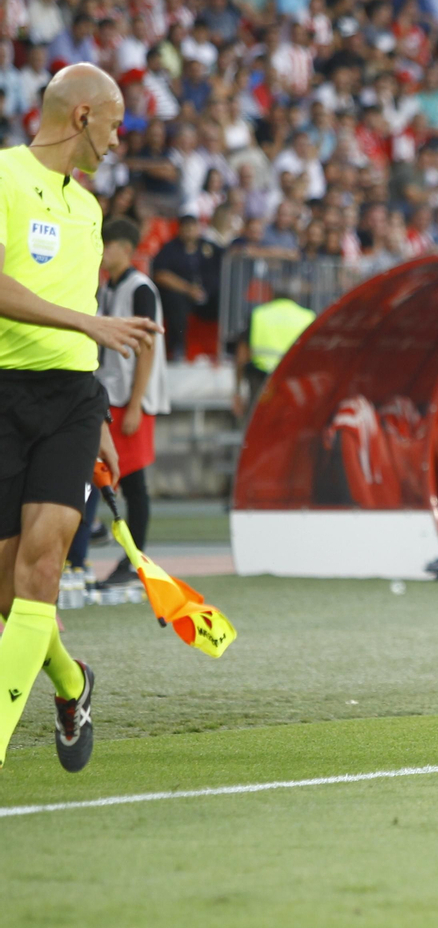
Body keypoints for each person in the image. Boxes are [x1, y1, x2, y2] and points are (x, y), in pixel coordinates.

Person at [0, 63, 161, 774]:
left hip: (71, 400)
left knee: (41, 571)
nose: (118, 140)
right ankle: (71, 683)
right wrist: (89, 327)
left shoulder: (90, 210)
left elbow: (82, 309)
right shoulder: (3, 176)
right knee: (9, 595)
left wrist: (97, 418)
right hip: (6, 393)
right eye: (115, 124)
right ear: (82, 115)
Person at [94, 218, 170, 588]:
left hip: (131, 398)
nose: (102, 253)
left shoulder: (141, 289)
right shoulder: (108, 287)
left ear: (125, 248)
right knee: (108, 478)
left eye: (106, 245)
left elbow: (147, 350)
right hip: (113, 393)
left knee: (134, 482)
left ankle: (135, 561)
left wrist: (137, 403)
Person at [233, 286, 315, 418]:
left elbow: (242, 356)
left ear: (272, 296)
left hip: (261, 380)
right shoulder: (308, 316)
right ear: (296, 298)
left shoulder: (258, 314)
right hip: (294, 380)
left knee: (259, 422)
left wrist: (237, 391)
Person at [150, 214, 220, 361]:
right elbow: (161, 274)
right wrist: (188, 289)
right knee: (176, 302)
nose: (190, 231)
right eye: (186, 228)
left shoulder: (209, 247)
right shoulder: (169, 249)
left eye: (193, 227)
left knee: (224, 299)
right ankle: (177, 350)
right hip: (181, 295)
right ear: (180, 230)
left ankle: (226, 348)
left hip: (206, 295)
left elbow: (227, 259)